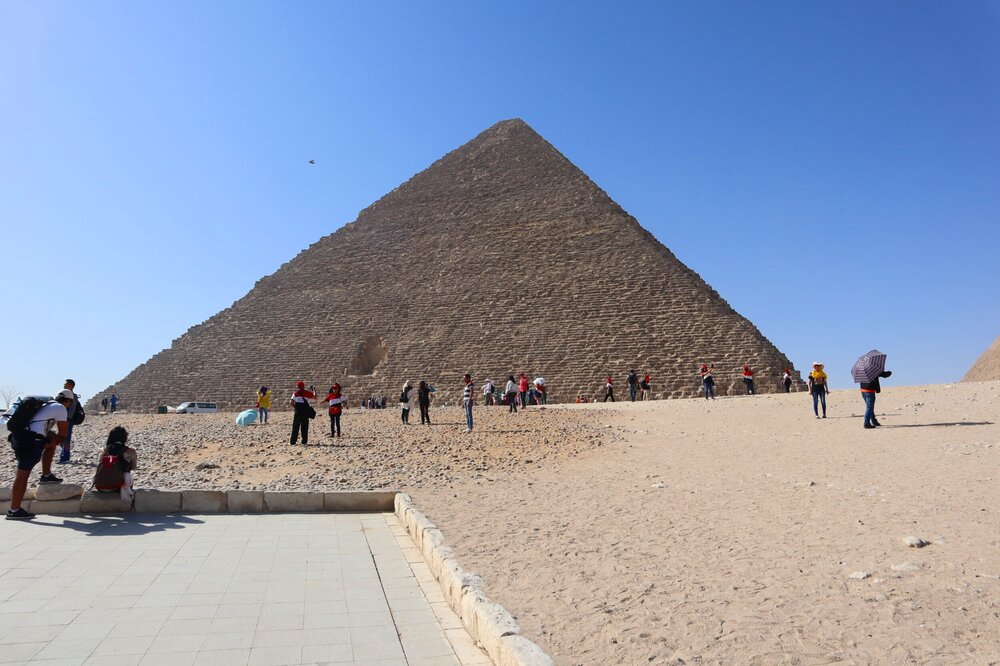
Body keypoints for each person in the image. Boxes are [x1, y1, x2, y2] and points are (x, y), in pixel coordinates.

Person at [6, 390, 73, 520]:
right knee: (22, 476)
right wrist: (62, 440)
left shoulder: (47, 405)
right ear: (69, 401)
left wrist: (55, 438)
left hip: (22, 438)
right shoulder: (60, 408)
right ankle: (14, 510)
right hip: (30, 441)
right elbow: (63, 431)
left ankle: (46, 475)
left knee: (52, 442)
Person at [94, 426, 138, 503]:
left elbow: (99, 465)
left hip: (99, 486)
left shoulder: (103, 450)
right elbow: (133, 467)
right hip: (117, 486)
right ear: (125, 437)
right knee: (127, 474)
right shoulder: (130, 451)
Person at [58, 379, 80, 464]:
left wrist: (67, 418)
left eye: (65, 384)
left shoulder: (72, 396)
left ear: (71, 386)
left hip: (67, 419)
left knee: (66, 438)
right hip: (62, 419)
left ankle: (65, 457)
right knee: (62, 437)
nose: (64, 385)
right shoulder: (64, 395)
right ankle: (63, 456)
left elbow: (71, 409)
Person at [289, 381, 315, 445]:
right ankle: (304, 441)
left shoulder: (295, 393)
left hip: (298, 411)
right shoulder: (307, 393)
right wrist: (314, 390)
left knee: (295, 427)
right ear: (303, 386)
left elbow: (291, 402)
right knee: (305, 427)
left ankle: (293, 442)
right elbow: (315, 397)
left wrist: (296, 407)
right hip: (305, 412)